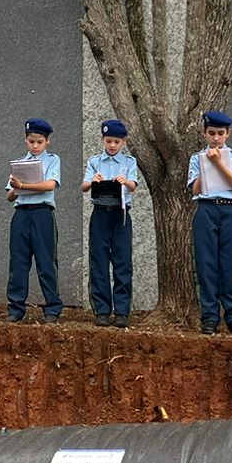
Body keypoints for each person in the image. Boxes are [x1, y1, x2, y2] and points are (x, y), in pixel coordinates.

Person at [187, 109, 232, 335]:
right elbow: (195, 188)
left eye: (220, 133)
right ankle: (210, 315)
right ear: (205, 133)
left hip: (230, 211)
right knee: (206, 264)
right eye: (211, 133)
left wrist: (219, 164)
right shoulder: (197, 158)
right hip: (206, 209)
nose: (215, 138)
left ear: (227, 134)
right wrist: (206, 165)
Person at [81, 119, 138, 328]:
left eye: (116, 141)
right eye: (108, 141)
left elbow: (133, 185)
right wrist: (93, 181)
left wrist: (125, 181)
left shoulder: (129, 162)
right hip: (100, 214)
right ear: (102, 140)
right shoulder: (95, 161)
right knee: (99, 260)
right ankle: (102, 310)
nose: (112, 145)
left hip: (121, 214)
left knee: (122, 261)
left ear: (123, 142)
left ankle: (122, 311)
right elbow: (84, 186)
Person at [5, 118, 63, 324]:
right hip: (21, 213)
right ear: (26, 140)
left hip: (42, 213)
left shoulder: (52, 160)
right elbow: (10, 196)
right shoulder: (19, 163)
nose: (35, 145)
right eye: (31, 141)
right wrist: (15, 186)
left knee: (46, 261)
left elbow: (50, 185)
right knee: (18, 261)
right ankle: (16, 308)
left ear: (47, 141)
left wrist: (24, 185)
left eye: (39, 141)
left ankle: (53, 308)